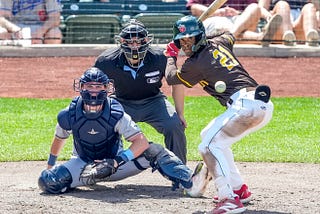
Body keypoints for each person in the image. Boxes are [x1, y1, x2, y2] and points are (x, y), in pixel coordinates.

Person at [38, 67, 211, 195]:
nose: (94, 91)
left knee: (154, 150)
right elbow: (58, 139)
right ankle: (77, 180)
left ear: (107, 89)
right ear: (81, 87)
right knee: (48, 182)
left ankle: (191, 182)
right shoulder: (69, 113)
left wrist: (115, 162)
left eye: (99, 87)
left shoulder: (116, 113)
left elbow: (141, 142)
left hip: (117, 165)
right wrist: (50, 167)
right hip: (84, 165)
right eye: (90, 86)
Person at [164, 15, 274, 213]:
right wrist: (204, 33)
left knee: (208, 147)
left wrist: (171, 55)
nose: (187, 44)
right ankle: (238, 188)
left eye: (191, 38)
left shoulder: (195, 63)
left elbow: (172, 78)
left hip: (245, 106)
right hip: (256, 104)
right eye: (183, 41)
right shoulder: (221, 41)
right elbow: (229, 33)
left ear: (201, 37)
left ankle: (228, 198)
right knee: (209, 135)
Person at [94, 19, 188, 164]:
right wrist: (97, 113)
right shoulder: (106, 61)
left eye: (138, 41)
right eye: (130, 42)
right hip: (121, 102)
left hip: (154, 101)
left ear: (147, 40)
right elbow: (95, 87)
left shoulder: (161, 57)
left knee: (174, 125)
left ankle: (180, 171)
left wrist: (180, 114)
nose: (134, 46)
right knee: (101, 124)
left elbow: (177, 83)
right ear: (121, 42)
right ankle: (101, 165)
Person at [186, 0, 283, 45]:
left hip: (238, 21)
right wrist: (215, 12)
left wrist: (268, 17)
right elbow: (194, 7)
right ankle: (260, 37)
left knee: (254, 7)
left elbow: (255, 8)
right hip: (214, 19)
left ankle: (229, 37)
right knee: (226, 27)